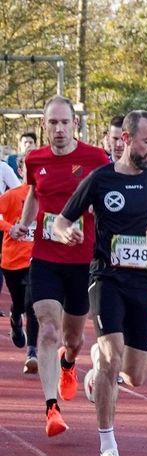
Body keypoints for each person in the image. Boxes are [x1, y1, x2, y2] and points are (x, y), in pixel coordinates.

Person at [55, 110, 147, 456]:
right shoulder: (100, 179)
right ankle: (107, 446)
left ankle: (95, 377)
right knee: (111, 353)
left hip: (145, 283)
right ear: (126, 140)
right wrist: (65, 231)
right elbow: (62, 219)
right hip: (106, 278)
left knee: (134, 375)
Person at [7, 96, 111, 437]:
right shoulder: (34, 159)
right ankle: (51, 407)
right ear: (44, 126)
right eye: (52, 123)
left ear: (75, 125)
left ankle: (69, 364)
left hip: (83, 261)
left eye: (65, 122)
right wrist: (25, 223)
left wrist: (95, 217)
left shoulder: (96, 159)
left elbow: (107, 199)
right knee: (48, 330)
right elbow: (36, 193)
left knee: (73, 338)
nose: (59, 129)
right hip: (46, 258)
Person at [0, 157, 37, 362]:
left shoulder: (48, 196)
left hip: (37, 258)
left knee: (33, 302)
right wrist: (10, 228)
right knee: (20, 302)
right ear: (21, 170)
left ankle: (32, 351)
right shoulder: (13, 195)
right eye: (28, 168)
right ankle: (15, 318)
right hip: (12, 259)